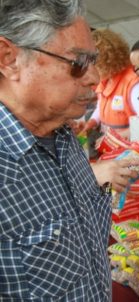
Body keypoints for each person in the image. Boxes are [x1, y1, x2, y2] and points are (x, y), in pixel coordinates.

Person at [0, 0, 113, 299]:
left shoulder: (62, 133)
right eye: (78, 63)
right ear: (8, 59)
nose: (94, 77)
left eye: (93, 61)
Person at [83, 28, 139, 138]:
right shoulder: (106, 80)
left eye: (94, 63)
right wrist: (91, 122)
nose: (90, 69)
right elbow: (100, 107)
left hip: (130, 150)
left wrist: (116, 137)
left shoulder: (134, 84)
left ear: (106, 59)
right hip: (112, 149)